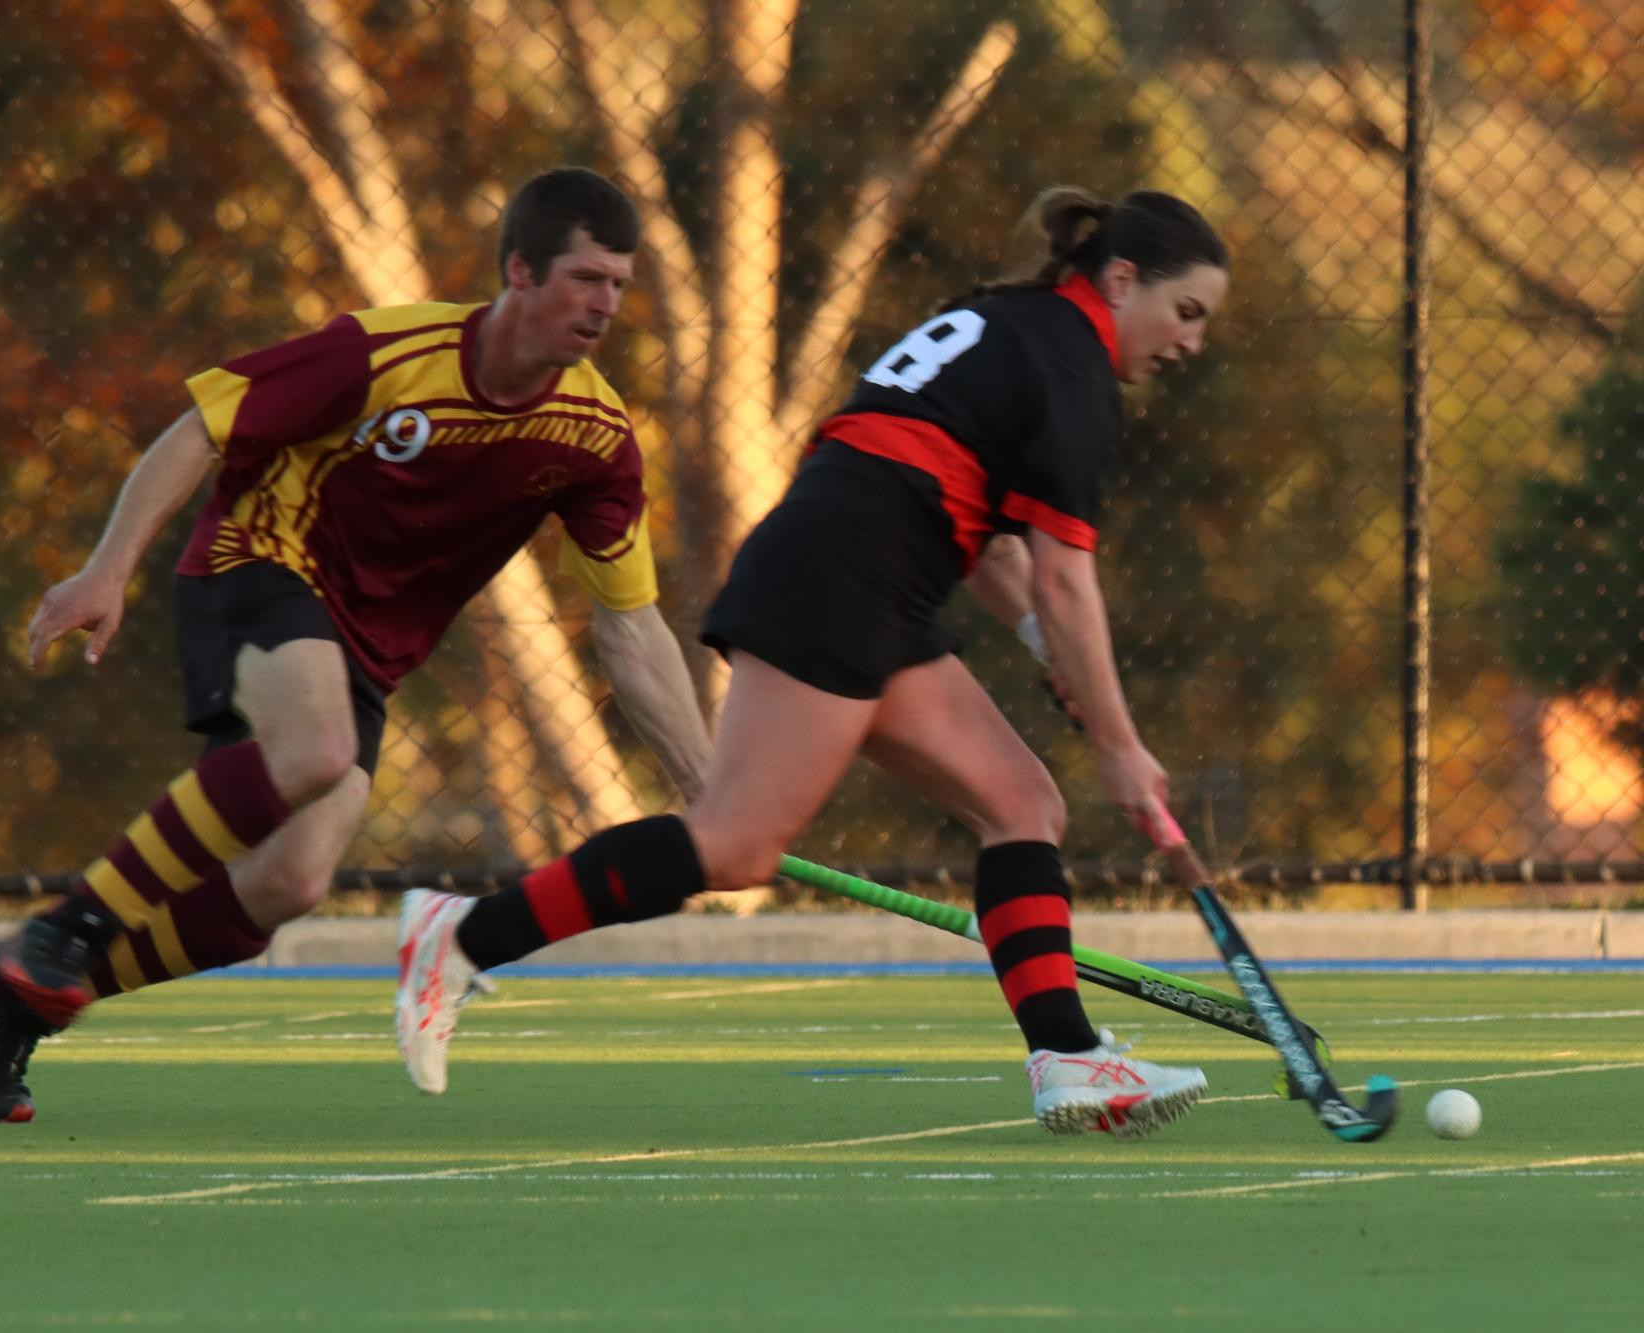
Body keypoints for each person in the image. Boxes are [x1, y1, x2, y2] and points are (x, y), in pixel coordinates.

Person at [396, 186, 1231, 1139]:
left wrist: (1060, 666)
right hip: (845, 573)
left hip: (871, 571)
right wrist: (1120, 745)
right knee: (735, 843)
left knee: (1020, 802)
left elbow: (1004, 555)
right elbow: (1063, 575)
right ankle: (460, 935)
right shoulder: (1073, 368)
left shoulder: (1018, 327)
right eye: (1186, 312)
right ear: (1121, 281)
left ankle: (1070, 1058)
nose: (1191, 341)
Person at [0, 167, 711, 1123]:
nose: (604, 306)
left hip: (367, 651)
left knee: (286, 885)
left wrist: (708, 784)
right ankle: (64, 931)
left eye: (620, 285)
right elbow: (199, 428)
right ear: (519, 270)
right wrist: (107, 570)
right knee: (312, 753)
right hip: (256, 560)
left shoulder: (593, 435)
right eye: (585, 278)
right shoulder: (386, 352)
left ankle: (6, 998)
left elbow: (630, 626)